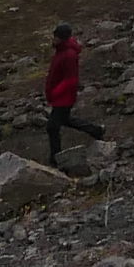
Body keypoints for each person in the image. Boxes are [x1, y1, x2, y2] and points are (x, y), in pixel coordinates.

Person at [40, 24, 90, 167]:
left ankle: (55, 158)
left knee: (52, 127)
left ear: (61, 38)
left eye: (56, 37)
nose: (53, 39)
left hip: (64, 97)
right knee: (65, 120)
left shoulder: (68, 54)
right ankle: (96, 130)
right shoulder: (61, 50)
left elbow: (71, 79)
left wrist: (54, 92)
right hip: (61, 96)